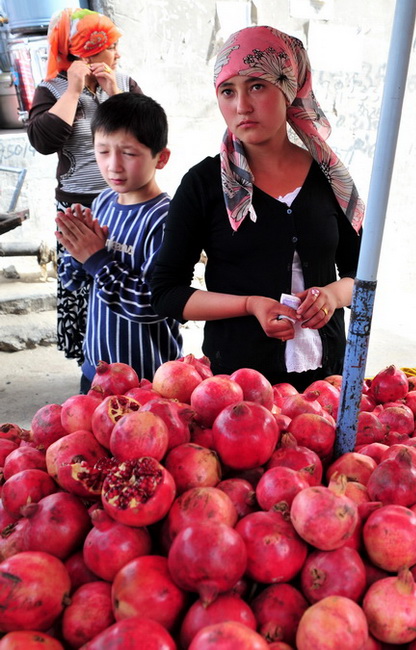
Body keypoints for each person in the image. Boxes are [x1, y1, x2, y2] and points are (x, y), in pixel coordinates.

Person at [151, 25, 364, 391]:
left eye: (257, 86)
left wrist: (331, 295)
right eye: (227, 91)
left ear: (287, 88)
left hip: (328, 385)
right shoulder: (203, 185)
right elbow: (166, 292)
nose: (241, 106)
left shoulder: (330, 178)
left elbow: (362, 278)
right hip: (237, 395)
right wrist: (250, 305)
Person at [26, 7, 142, 366]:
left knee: (124, 282)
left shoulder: (124, 82)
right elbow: (44, 140)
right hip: (78, 210)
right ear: (88, 51)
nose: (118, 54)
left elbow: (144, 137)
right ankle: (91, 366)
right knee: (83, 292)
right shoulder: (53, 89)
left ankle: (130, 360)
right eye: (111, 46)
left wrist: (116, 94)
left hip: (126, 205)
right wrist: (75, 89)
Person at [55, 92, 182, 393]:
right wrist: (76, 249)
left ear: (160, 158)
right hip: (97, 370)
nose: (113, 166)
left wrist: (97, 259)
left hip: (148, 378)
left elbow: (154, 304)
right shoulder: (102, 203)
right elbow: (71, 282)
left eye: (128, 153)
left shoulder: (166, 220)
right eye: (102, 152)